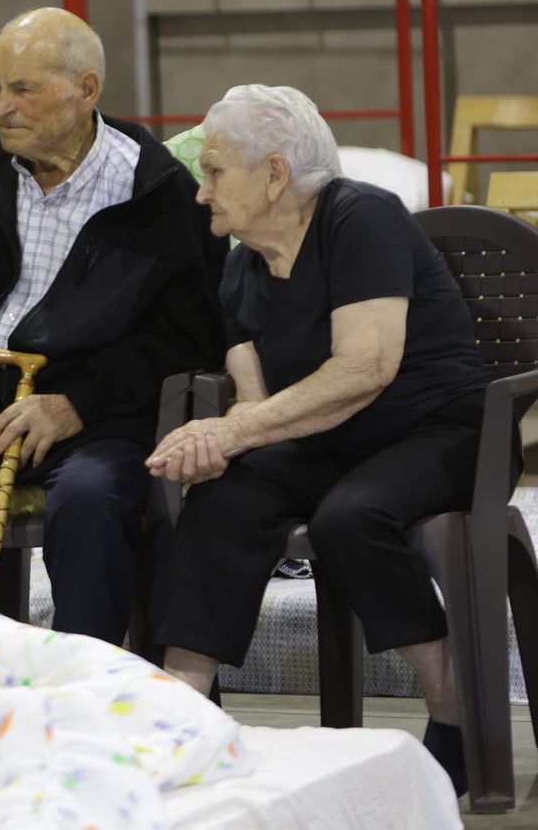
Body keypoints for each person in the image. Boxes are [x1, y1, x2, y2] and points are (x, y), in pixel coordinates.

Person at [149, 84, 495, 794]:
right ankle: (180, 710)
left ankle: (454, 706)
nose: (200, 192)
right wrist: (221, 446)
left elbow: (367, 368)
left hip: (438, 430)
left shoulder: (360, 216)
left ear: (274, 173)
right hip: (324, 440)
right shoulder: (241, 259)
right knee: (223, 499)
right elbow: (258, 402)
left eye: (214, 172)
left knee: (350, 517)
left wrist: (237, 428)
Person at [0, 7, 226, 651]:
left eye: (22, 88)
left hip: (94, 420)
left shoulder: (154, 192)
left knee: (91, 501)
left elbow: (189, 336)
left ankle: (87, 699)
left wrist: (76, 404)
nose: (2, 107)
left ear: (86, 90)